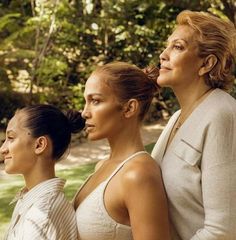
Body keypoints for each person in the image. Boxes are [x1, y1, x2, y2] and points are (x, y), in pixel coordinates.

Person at [151, 10, 236, 240]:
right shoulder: (176, 118)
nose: (163, 55)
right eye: (167, 46)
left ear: (206, 63)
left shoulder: (222, 114)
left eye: (177, 47)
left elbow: (223, 231)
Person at [73, 62, 171, 240]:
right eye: (85, 101)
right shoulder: (102, 166)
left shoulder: (138, 175)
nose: (84, 113)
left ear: (129, 108)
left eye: (95, 101)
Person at [0, 104, 85, 240]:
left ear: (39, 145)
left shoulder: (40, 217)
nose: (2, 149)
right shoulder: (32, 200)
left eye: (11, 138)